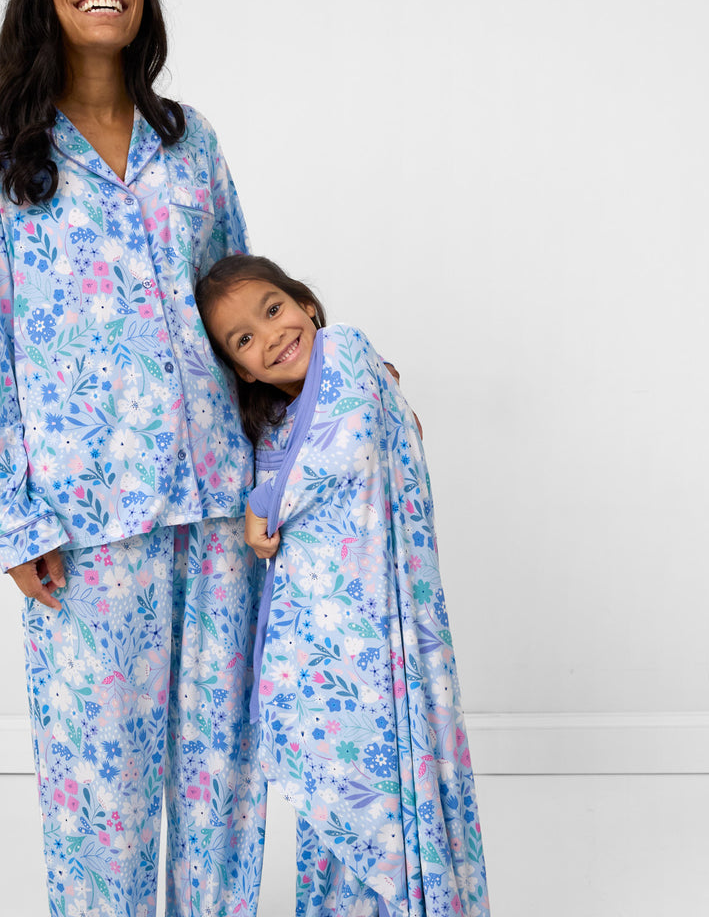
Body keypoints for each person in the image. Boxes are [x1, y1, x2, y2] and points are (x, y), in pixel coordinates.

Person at [0, 0, 267, 915]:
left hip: (216, 506)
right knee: (101, 787)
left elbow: (240, 308)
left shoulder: (190, 141)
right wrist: (16, 519)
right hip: (89, 522)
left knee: (220, 775)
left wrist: (302, 430)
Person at [196, 256, 491, 917]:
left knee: (385, 784)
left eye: (273, 309)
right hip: (314, 653)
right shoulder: (271, 423)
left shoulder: (348, 352)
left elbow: (343, 448)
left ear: (305, 304)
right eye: (244, 339)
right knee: (336, 806)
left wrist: (263, 501)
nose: (270, 336)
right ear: (240, 369)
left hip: (377, 633)